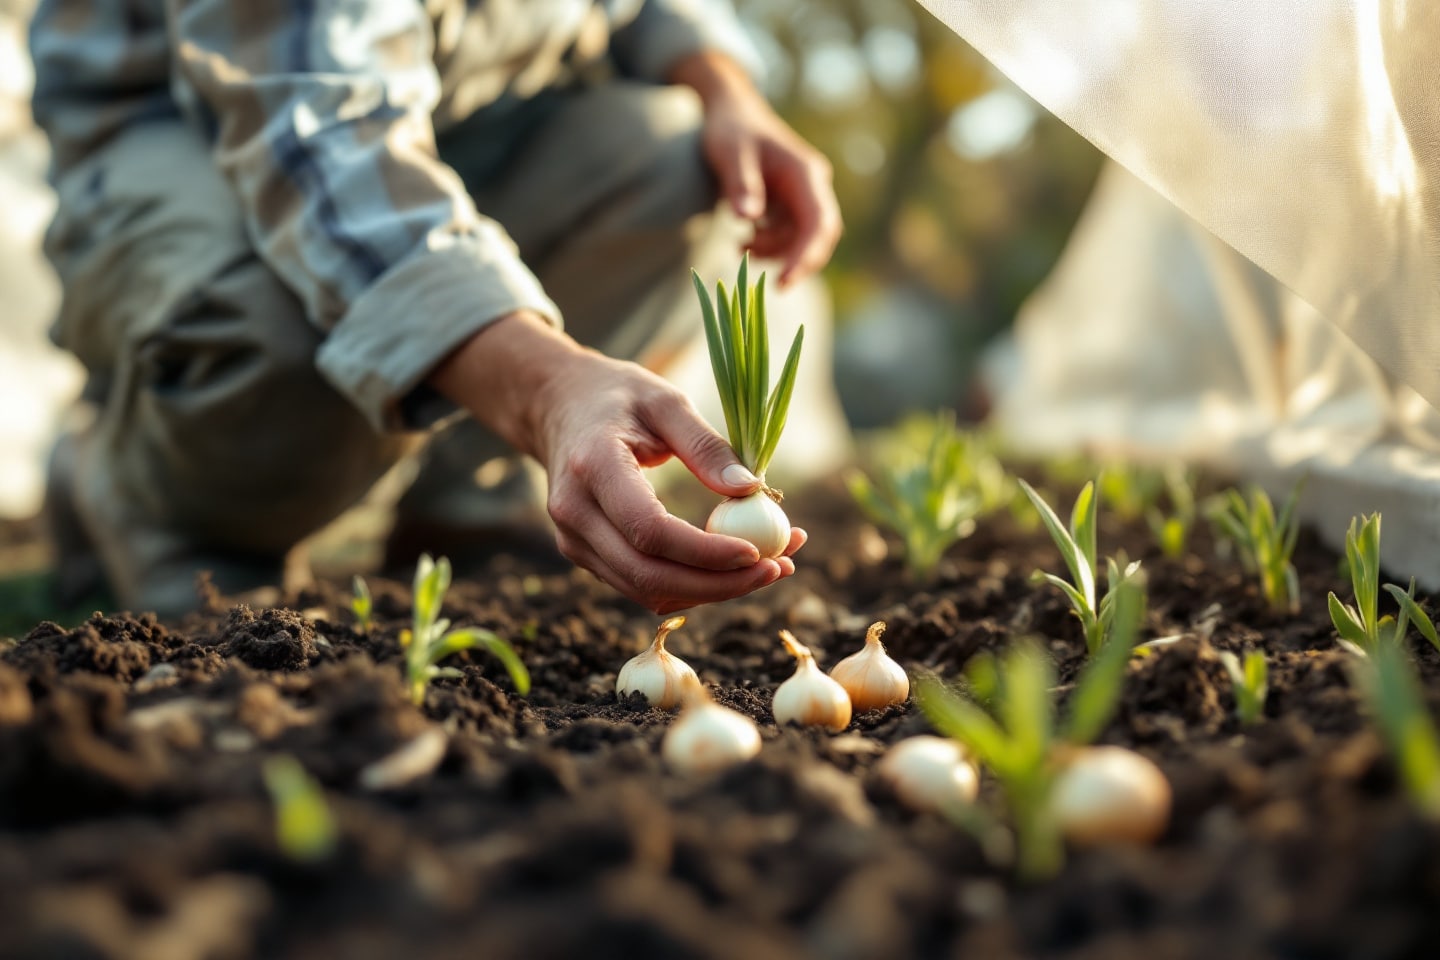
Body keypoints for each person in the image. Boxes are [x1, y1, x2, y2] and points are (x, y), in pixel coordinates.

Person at [28, 0, 842, 618]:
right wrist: (547, 388)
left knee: (683, 158)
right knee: (277, 328)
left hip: (462, 112)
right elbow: (321, 148)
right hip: (189, 123)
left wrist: (724, 86)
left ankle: (467, 503)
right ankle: (148, 496)